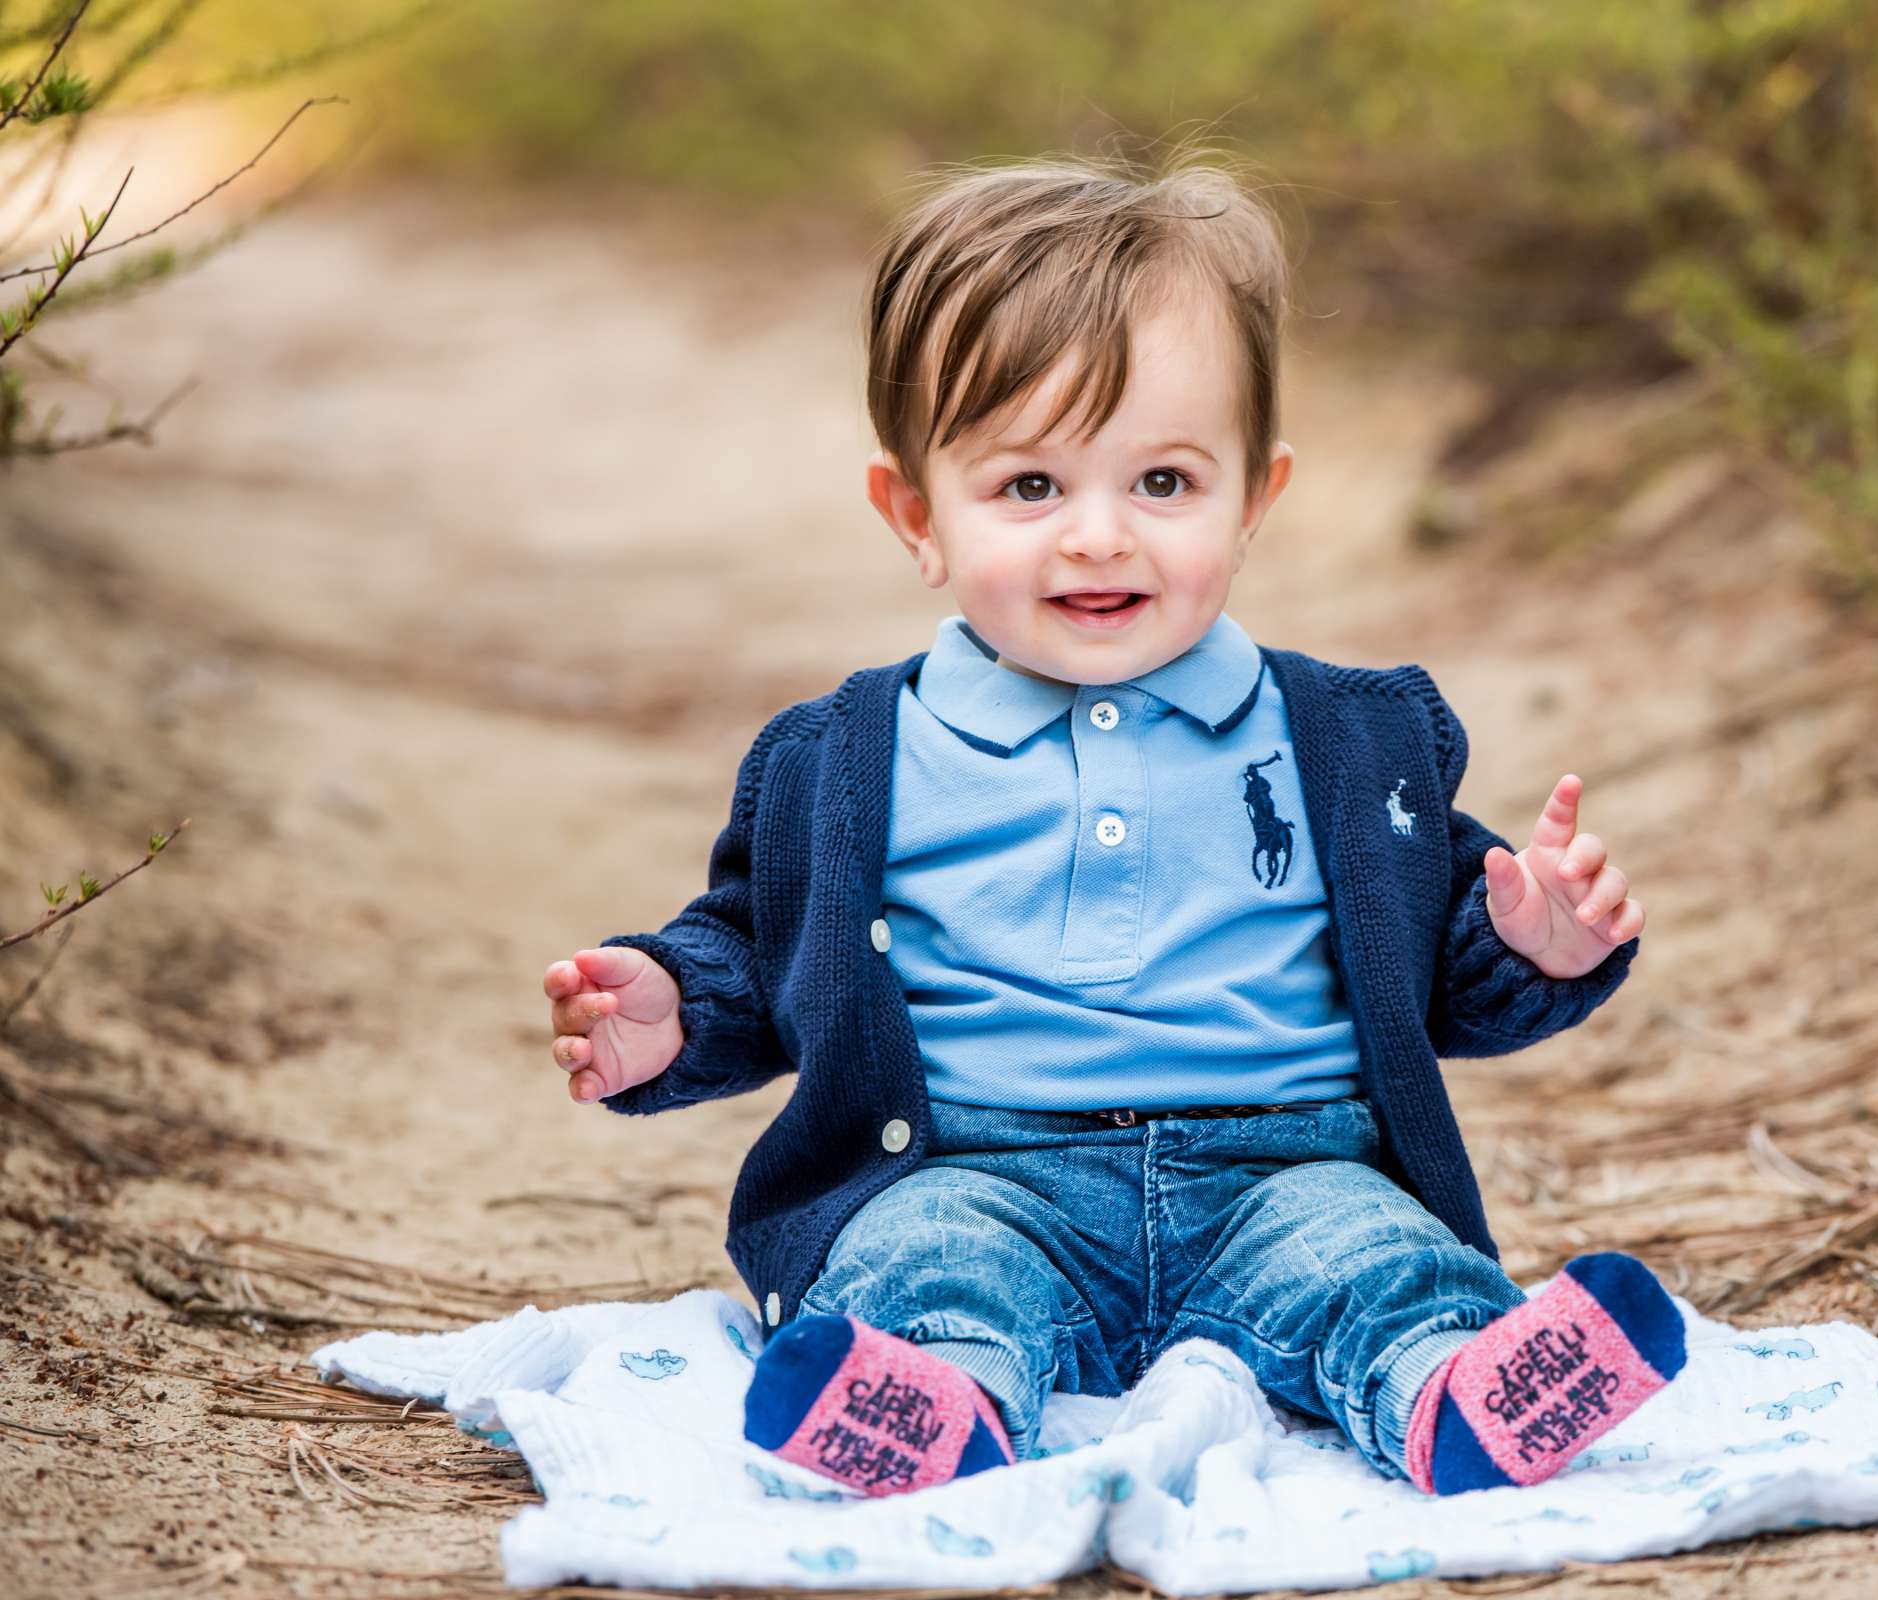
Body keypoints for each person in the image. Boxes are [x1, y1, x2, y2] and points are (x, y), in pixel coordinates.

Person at [538, 144, 1677, 1501]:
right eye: (1030, 487)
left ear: (1257, 498)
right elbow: (760, 956)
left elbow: (1438, 972)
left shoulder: (1352, 738)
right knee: (925, 1270)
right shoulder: (845, 757)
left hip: (1283, 1166)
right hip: (976, 1170)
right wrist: (670, 1007)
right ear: (915, 514)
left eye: (1164, 483)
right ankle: (932, 1410)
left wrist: (1536, 945)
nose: (1099, 537)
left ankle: (1461, 1393)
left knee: (1381, 1262)